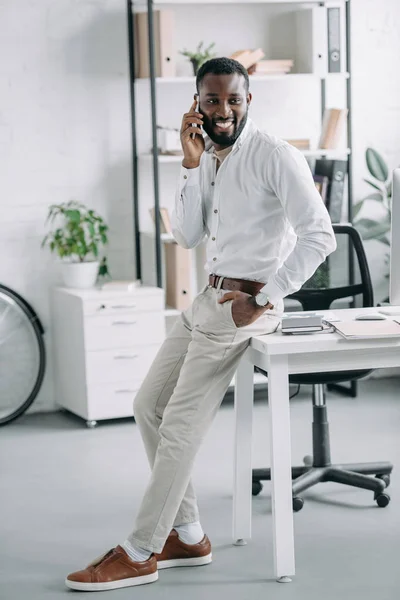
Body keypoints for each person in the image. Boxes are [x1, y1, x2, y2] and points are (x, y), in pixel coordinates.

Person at [65, 57, 336, 591]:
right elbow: (187, 236)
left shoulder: (275, 155)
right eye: (212, 101)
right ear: (197, 104)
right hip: (206, 300)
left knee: (181, 425)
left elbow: (318, 235)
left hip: (245, 304)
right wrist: (188, 166)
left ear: (248, 100)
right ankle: (187, 534)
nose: (224, 109)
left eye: (233, 99)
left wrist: (266, 298)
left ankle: (141, 549)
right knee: (149, 406)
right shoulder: (208, 156)